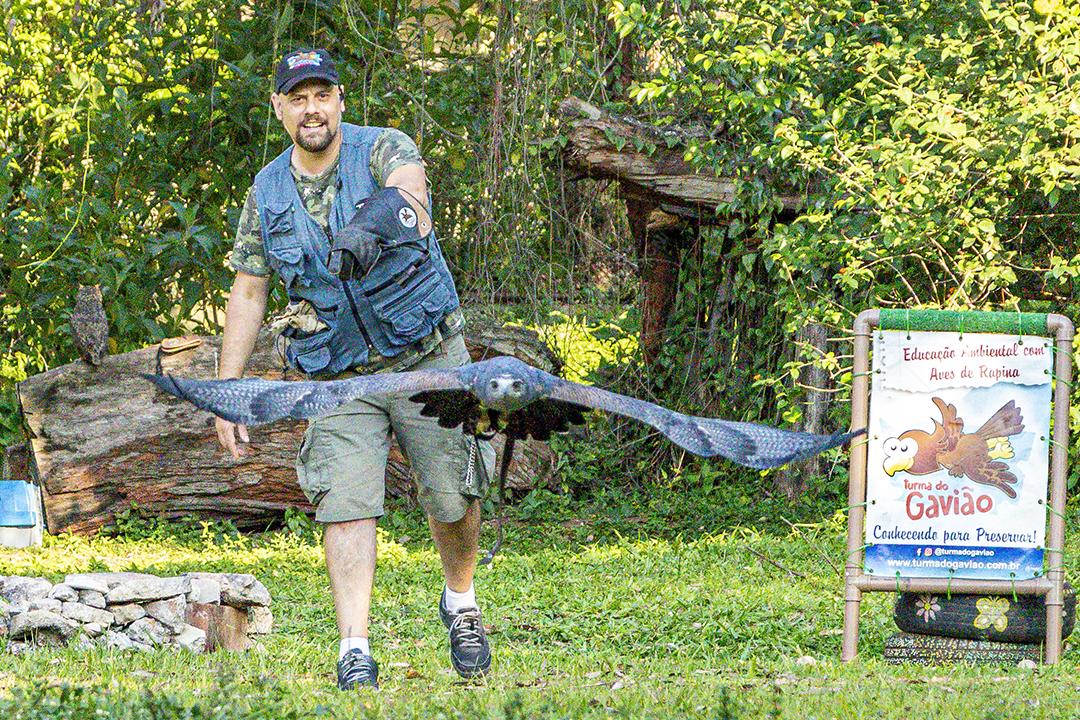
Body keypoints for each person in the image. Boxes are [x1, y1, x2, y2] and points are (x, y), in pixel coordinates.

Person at [219, 48, 496, 690]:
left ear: (341, 101)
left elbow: (414, 198)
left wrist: (374, 225)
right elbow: (249, 290)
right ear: (281, 108)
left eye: (323, 95)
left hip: (425, 356)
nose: (312, 108)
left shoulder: (381, 148)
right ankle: (355, 649)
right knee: (345, 501)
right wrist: (227, 391)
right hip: (336, 373)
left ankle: (460, 601)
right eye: (298, 97)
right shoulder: (267, 191)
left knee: (453, 496)